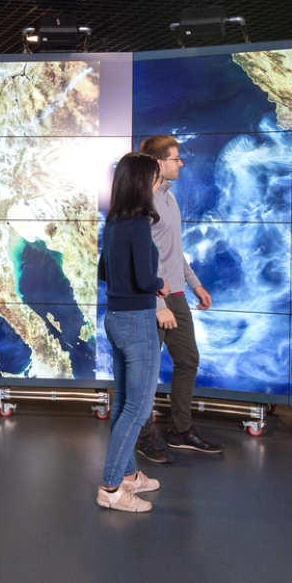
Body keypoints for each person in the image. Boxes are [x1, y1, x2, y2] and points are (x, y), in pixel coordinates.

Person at [133, 135, 221, 464]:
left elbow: (173, 252)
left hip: (178, 295)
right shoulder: (141, 202)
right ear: (159, 163)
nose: (181, 163)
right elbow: (138, 259)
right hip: (151, 299)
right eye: (175, 158)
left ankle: (180, 431)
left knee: (188, 360)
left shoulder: (169, 198)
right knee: (145, 372)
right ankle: (143, 438)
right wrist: (158, 306)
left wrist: (196, 285)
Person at [96, 153, 170, 513]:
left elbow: (103, 273)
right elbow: (144, 279)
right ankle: (111, 488)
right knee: (137, 409)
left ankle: (127, 475)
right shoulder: (138, 225)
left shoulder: (114, 223)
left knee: (124, 402)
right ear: (144, 183)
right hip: (138, 322)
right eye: (156, 178)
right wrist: (159, 284)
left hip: (115, 318)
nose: (159, 183)